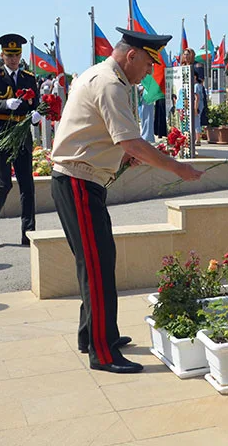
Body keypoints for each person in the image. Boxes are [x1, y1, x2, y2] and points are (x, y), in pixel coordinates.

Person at [49, 27, 202, 374]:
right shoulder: (110, 83)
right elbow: (132, 143)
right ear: (131, 56)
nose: (148, 73)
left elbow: (105, 136)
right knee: (97, 267)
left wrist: (122, 156)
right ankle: (102, 353)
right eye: (148, 65)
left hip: (82, 181)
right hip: (78, 181)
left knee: (98, 262)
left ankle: (96, 335)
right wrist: (177, 168)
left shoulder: (101, 75)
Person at [0, 33, 41, 246]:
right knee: (4, 184)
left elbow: (35, 105)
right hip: (0, 133)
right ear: (2, 55)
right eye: (9, 55)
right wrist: (3, 104)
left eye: (17, 55)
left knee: (27, 186)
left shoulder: (29, 78)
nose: (13, 59)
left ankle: (28, 233)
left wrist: (38, 114)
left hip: (21, 134)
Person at [194, 74, 207, 146]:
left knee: (196, 122)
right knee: (197, 122)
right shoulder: (199, 85)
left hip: (197, 105)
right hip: (200, 105)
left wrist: (195, 108)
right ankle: (197, 139)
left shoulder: (196, 86)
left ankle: (198, 140)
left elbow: (197, 98)